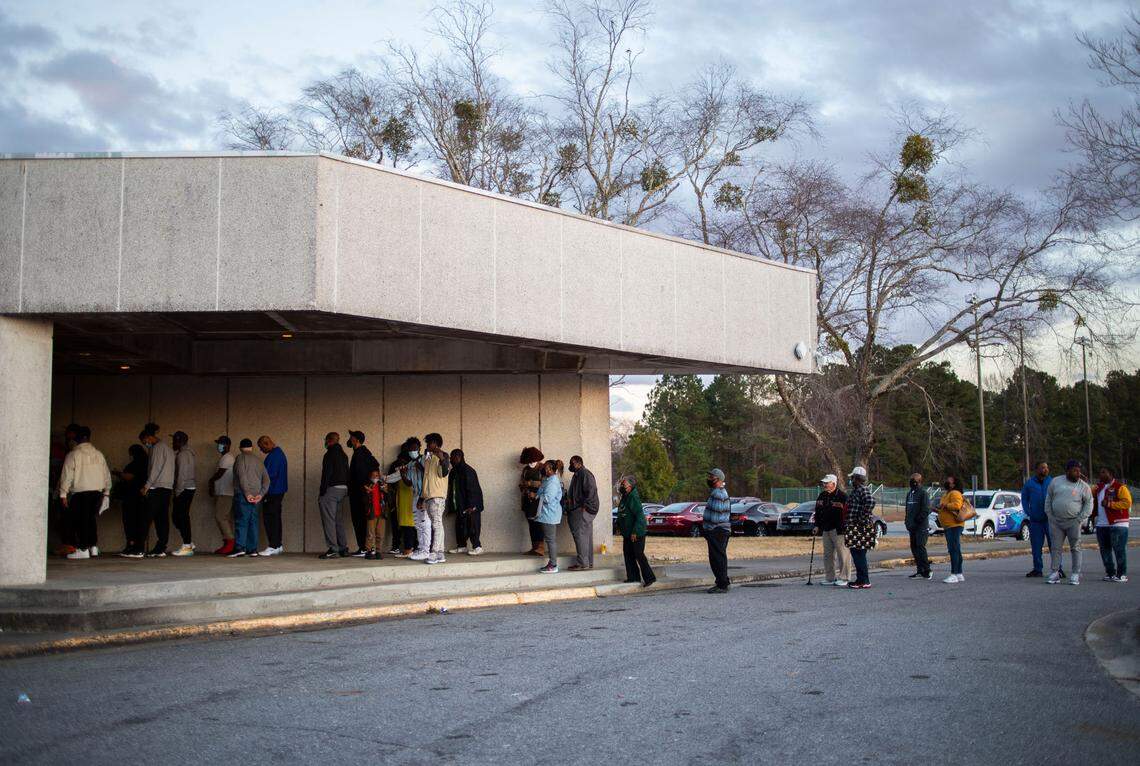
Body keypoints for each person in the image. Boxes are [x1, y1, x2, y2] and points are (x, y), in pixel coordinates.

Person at [58, 426, 111, 560]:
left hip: (80, 493)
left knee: (80, 521)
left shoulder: (73, 454)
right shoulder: (98, 454)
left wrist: (63, 493)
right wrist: (107, 492)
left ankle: (83, 549)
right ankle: (93, 547)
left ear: (76, 439)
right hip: (97, 493)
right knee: (90, 520)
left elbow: (67, 475)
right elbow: (106, 474)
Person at [1045, 460, 1093, 585]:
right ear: (1067, 471)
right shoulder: (1055, 481)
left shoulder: (1083, 486)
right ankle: (1055, 572)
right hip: (1056, 521)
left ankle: (1075, 574)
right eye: (1075, 470)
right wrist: (1050, 515)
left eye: (1079, 470)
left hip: (1073, 522)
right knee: (1055, 548)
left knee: (1075, 548)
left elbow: (1089, 503)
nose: (1078, 473)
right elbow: (1048, 498)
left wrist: (1080, 519)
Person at [412, 433, 450, 564]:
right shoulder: (428, 457)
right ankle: (440, 553)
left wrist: (442, 460)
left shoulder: (443, 455)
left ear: (436, 443)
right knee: (438, 523)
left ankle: (433, 553)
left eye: (429, 443)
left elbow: (443, 473)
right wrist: (422, 497)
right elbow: (426, 479)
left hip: (437, 496)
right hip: (429, 496)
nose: (427, 446)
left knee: (436, 524)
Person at [230, 439, 270, 558]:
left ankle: (239, 548)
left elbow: (242, 477)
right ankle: (252, 549)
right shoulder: (258, 461)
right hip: (257, 496)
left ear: (240, 448)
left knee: (241, 521)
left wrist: (247, 494)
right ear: (252, 448)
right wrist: (260, 495)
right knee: (253, 522)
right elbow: (267, 480)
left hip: (243, 495)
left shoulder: (240, 458)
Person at [1091, 467, 1131, 583]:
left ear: (1111, 474)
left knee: (1119, 549)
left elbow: (1127, 503)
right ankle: (1110, 573)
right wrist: (1092, 516)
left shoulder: (1120, 487)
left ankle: (1122, 574)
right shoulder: (1099, 488)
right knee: (1105, 550)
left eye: (1104, 472)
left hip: (1118, 523)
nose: (1101, 474)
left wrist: (1109, 504)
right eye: (1100, 472)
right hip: (1102, 524)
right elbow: (1092, 500)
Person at [140, 422, 175, 558]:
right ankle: (161, 547)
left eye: (144, 442)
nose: (145, 444)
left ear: (149, 437)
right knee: (162, 519)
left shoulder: (157, 448)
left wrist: (146, 486)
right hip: (167, 488)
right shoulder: (167, 448)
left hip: (157, 487)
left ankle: (139, 548)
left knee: (145, 518)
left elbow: (155, 469)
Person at [616, 476, 655, 587]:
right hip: (627, 533)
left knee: (639, 555)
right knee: (628, 555)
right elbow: (622, 512)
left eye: (624, 485)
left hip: (636, 533)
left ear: (630, 486)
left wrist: (635, 532)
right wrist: (618, 525)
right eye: (622, 484)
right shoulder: (625, 496)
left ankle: (649, 578)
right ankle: (633, 577)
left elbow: (639, 516)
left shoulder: (633, 497)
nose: (621, 486)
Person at [812, 473, 851, 586]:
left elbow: (847, 513)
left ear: (833, 483)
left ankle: (844, 578)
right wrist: (816, 525)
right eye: (824, 483)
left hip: (839, 530)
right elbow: (818, 512)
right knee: (828, 555)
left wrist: (846, 526)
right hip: (826, 529)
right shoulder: (822, 496)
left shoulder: (842, 496)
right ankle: (830, 578)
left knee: (843, 554)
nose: (824, 484)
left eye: (827, 483)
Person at [317, 432, 350, 559]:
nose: (325, 442)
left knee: (329, 520)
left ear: (329, 440)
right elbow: (347, 473)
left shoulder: (329, 454)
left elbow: (326, 474)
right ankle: (343, 548)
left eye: (326, 440)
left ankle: (333, 548)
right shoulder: (344, 455)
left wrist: (322, 492)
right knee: (338, 520)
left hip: (331, 490)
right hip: (343, 489)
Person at [347, 430, 380, 557]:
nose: (349, 440)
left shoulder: (360, 454)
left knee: (359, 519)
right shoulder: (364, 453)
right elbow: (375, 466)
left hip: (359, 494)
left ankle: (363, 548)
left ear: (356, 440)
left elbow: (363, 473)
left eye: (351, 438)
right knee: (362, 519)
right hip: (361, 493)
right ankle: (365, 547)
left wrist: (367, 485)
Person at [1021, 461, 1056, 578]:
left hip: (1051, 520)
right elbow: (1024, 499)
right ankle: (1037, 569)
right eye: (1042, 467)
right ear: (1037, 470)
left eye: (1046, 467)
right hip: (1036, 521)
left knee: (1054, 546)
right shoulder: (1029, 484)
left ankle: (1057, 569)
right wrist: (1029, 512)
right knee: (1036, 546)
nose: (1045, 469)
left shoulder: (1052, 482)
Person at [446, 448, 485, 556]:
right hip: (460, 504)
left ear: (459, 457)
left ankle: (477, 547)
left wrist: (472, 506)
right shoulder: (454, 471)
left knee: (473, 526)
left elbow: (473, 489)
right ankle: (461, 546)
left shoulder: (468, 471)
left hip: (471, 504)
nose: (450, 460)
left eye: (452, 457)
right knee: (460, 526)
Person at [113, 443, 149, 557]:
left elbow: (130, 477)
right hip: (143, 497)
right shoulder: (148, 463)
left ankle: (133, 546)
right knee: (140, 522)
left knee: (130, 523)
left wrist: (118, 473)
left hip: (132, 497)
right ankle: (137, 546)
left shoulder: (135, 464)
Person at [844, 466, 877, 589]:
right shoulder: (857, 490)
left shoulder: (862, 489)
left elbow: (870, 502)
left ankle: (863, 580)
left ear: (856, 478)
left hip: (859, 527)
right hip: (855, 526)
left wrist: (861, 518)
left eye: (852, 477)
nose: (851, 479)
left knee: (859, 554)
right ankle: (861, 579)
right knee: (856, 553)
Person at [565, 455, 600, 570]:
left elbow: (591, 490)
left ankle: (582, 563)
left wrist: (584, 506)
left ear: (579, 463)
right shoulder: (578, 475)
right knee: (586, 536)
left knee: (580, 536)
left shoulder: (584, 474)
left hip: (583, 509)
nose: (570, 465)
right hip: (582, 508)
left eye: (572, 463)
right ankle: (588, 562)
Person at [703, 468, 732, 594]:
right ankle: (722, 581)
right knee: (718, 557)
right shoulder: (717, 492)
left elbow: (716, 515)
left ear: (719, 479)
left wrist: (708, 528)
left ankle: (722, 584)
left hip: (717, 530)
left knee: (717, 558)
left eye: (712, 477)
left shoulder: (718, 494)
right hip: (719, 530)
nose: (709, 479)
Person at [258, 436, 288, 556]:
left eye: (261, 447)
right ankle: (278, 545)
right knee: (275, 518)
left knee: (270, 519)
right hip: (278, 490)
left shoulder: (274, 456)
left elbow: (269, 475)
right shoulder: (279, 454)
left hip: (273, 491)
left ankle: (273, 545)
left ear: (267, 444)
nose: (261, 450)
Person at [389, 442, 420, 557]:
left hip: (409, 498)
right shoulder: (405, 464)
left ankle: (409, 549)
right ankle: (411, 548)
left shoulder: (415, 464)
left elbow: (407, 482)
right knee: (409, 525)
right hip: (405, 498)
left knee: (409, 525)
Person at [208, 436, 236, 555]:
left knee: (220, 517)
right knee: (225, 518)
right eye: (218, 443)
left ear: (228, 445)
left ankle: (230, 542)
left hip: (226, 493)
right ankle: (227, 542)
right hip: (222, 492)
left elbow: (220, 474)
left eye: (221, 444)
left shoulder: (227, 457)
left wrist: (210, 481)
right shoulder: (224, 457)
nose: (219, 446)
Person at [535, 459, 564, 573]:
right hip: (545, 514)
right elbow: (540, 492)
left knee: (551, 540)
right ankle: (552, 563)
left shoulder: (553, 481)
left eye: (547, 468)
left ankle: (553, 565)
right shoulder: (547, 479)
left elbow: (547, 498)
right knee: (549, 540)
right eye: (545, 467)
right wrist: (538, 494)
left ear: (552, 469)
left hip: (550, 515)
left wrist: (537, 495)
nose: (545, 469)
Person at [170, 431, 197, 557]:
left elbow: (181, 475)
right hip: (189, 488)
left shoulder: (182, 455)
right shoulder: (189, 453)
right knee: (180, 517)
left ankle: (187, 545)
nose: (172, 443)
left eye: (174, 440)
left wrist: (177, 491)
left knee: (180, 517)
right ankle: (189, 542)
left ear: (179, 441)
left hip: (184, 489)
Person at [937, 474, 966, 584]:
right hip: (949, 525)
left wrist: (945, 505)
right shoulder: (948, 493)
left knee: (953, 549)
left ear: (954, 484)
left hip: (954, 525)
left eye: (948, 481)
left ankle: (954, 574)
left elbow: (957, 505)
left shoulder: (955, 493)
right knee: (955, 549)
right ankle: (959, 573)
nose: (946, 482)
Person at [903, 472, 931, 580]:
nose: (911, 482)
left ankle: (927, 570)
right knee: (914, 548)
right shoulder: (910, 493)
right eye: (911, 480)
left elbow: (925, 510)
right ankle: (920, 570)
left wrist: (917, 520)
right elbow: (907, 509)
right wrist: (907, 521)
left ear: (919, 481)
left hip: (921, 526)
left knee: (920, 547)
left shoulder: (923, 493)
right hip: (912, 527)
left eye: (913, 480)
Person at [519, 447, 546, 556]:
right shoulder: (525, 469)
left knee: (538, 523)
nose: (530, 463)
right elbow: (521, 481)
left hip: (538, 501)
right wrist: (523, 486)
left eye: (532, 460)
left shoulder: (543, 468)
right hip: (527, 500)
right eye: (528, 461)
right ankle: (534, 547)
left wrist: (531, 484)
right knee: (531, 524)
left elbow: (546, 484)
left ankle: (541, 547)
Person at [363, 468, 387, 559]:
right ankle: (369, 551)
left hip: (381, 513)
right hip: (371, 513)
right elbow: (363, 500)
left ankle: (378, 551)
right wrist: (367, 493)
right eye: (373, 476)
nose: (375, 477)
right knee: (370, 534)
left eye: (377, 475)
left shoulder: (382, 485)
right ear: (370, 477)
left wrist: (385, 490)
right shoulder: (367, 486)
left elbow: (388, 498)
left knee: (380, 534)